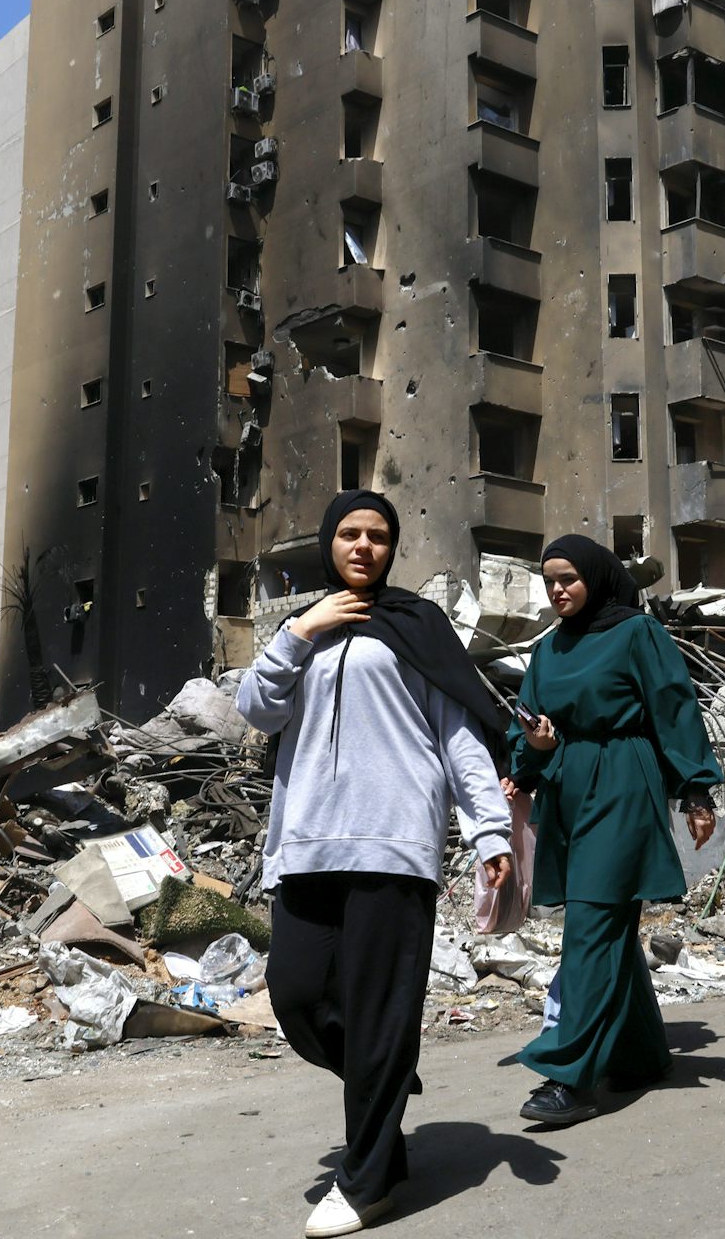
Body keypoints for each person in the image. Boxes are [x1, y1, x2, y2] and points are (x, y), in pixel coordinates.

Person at [237, 490, 514, 1238]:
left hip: (393, 845)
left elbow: (460, 734)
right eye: (351, 534)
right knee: (296, 998)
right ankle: (381, 1081)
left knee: (381, 1007)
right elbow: (255, 709)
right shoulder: (306, 629)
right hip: (306, 846)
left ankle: (368, 1182)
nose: (364, 547)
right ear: (330, 542)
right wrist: (299, 631)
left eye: (379, 537)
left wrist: (491, 833)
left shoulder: (416, 627)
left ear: (393, 550)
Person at [508, 535, 721, 1125]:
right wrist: (531, 754)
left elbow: (674, 707)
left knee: (592, 923)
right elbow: (524, 719)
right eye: (549, 579)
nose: (557, 589)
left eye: (568, 578)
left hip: (624, 782)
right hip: (568, 790)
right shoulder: (549, 649)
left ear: (596, 578)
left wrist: (696, 789)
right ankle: (643, 1055)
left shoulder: (636, 633)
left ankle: (567, 1074)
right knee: (608, 924)